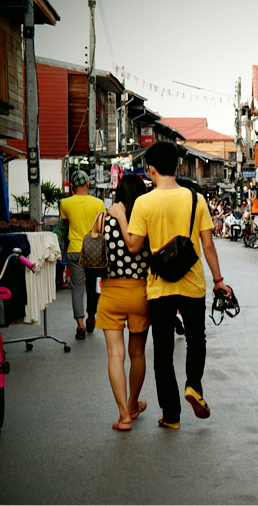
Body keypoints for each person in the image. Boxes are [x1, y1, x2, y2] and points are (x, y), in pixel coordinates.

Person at [110, 141, 232, 429]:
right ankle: (194, 386)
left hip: (159, 284)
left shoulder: (144, 203)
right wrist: (218, 280)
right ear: (177, 166)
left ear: (151, 169)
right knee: (196, 339)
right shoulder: (195, 199)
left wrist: (121, 217)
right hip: (191, 282)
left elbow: (133, 244)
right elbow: (208, 246)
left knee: (163, 350)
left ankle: (172, 415)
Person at [101, 174, 151, 431]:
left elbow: (93, 251)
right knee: (137, 353)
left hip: (110, 292)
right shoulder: (146, 219)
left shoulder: (105, 219)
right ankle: (133, 403)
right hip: (140, 292)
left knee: (115, 354)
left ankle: (124, 415)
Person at [59, 169, 105, 340]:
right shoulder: (98, 203)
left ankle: (80, 324)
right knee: (92, 285)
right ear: (88, 184)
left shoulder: (65, 203)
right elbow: (101, 228)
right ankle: (91, 314)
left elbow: (65, 225)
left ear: (72, 186)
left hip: (74, 250)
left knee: (77, 288)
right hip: (93, 251)